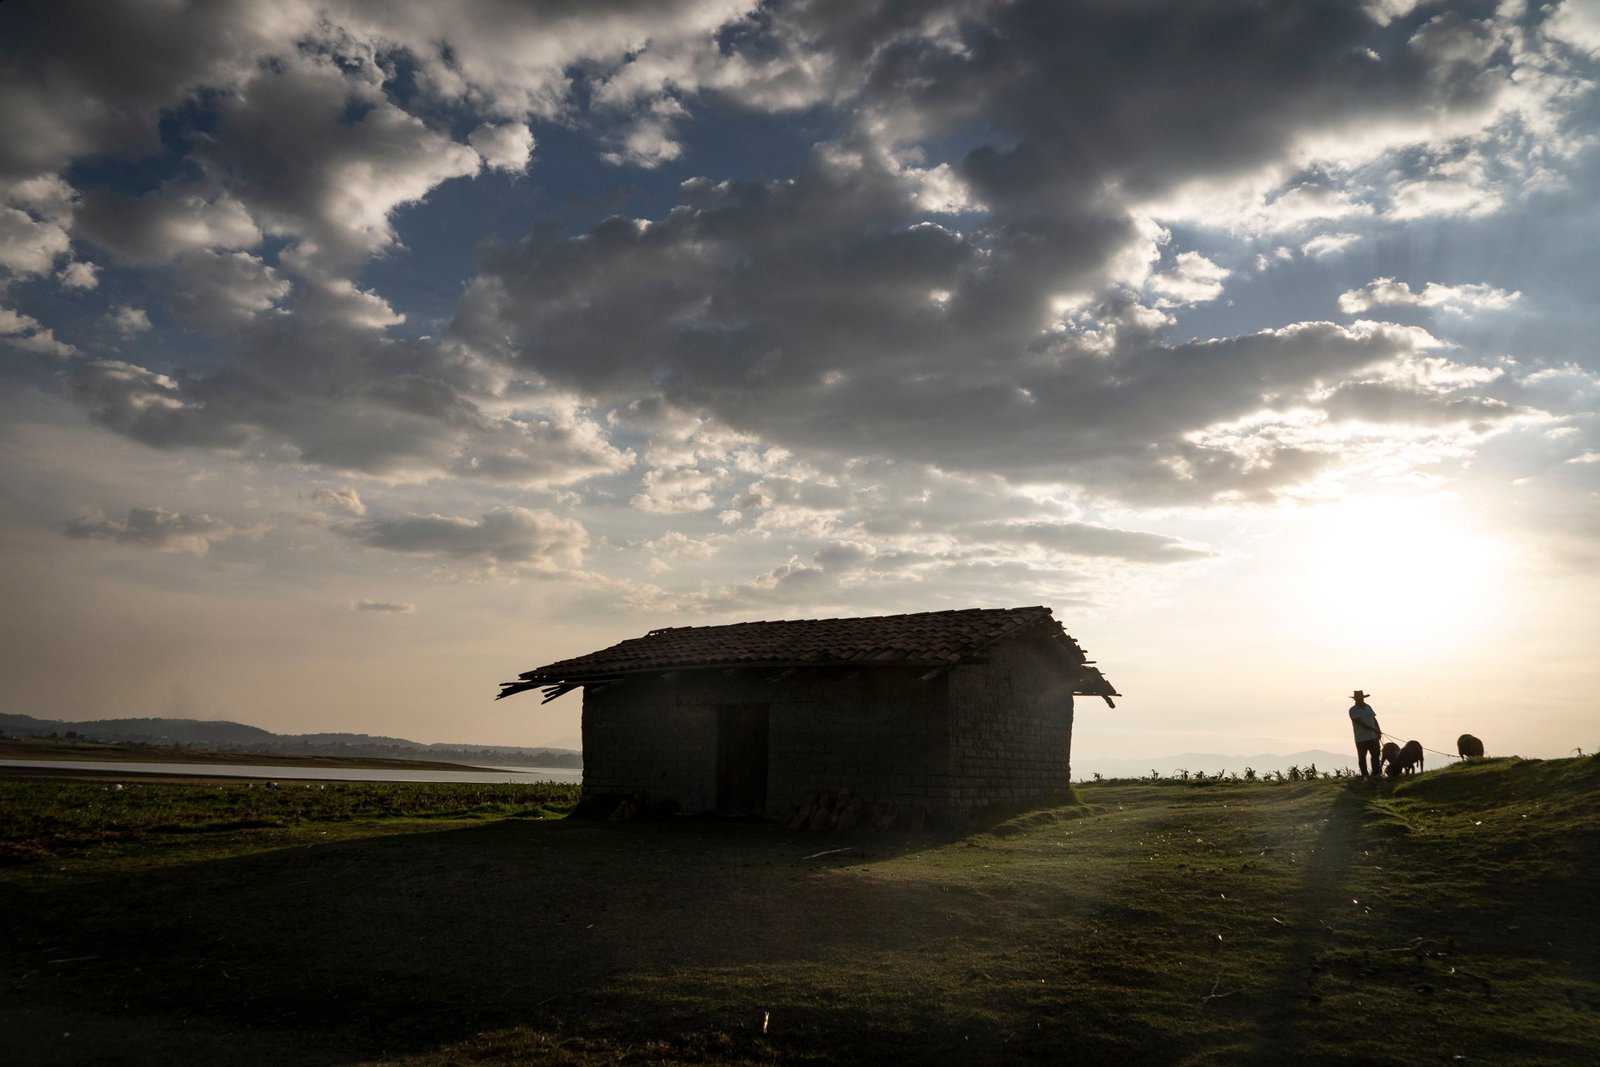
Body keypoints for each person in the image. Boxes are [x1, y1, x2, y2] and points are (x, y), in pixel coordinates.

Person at [1349, 690, 1382, 780]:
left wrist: (1378, 730)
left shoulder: (1368, 707)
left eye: (1360, 699)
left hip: (1372, 736)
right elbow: (1359, 723)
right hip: (1361, 738)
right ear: (1355, 700)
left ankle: (1375, 774)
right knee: (1362, 757)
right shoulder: (1353, 710)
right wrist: (1373, 729)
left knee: (1376, 755)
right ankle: (1365, 775)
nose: (1359, 700)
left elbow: (1374, 719)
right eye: (1358, 699)